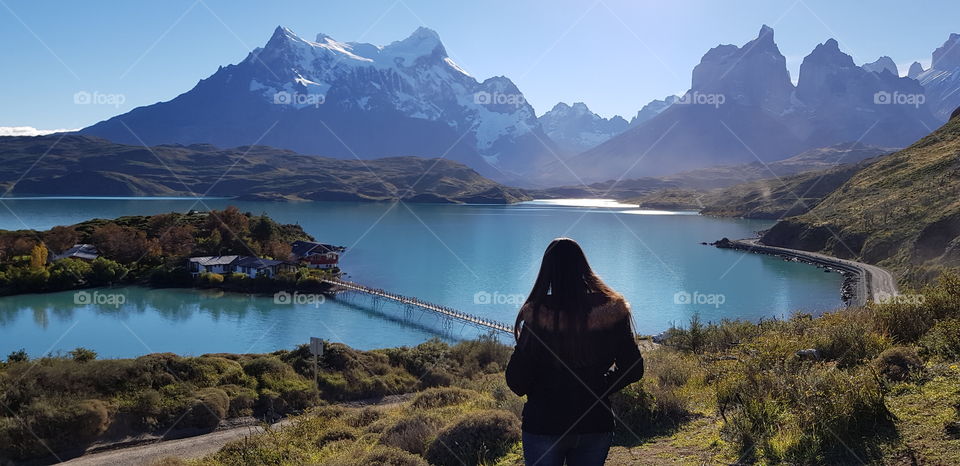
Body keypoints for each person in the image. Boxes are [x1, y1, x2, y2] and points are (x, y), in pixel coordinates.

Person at [505, 238, 644, 465]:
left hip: (543, 424)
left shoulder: (539, 314)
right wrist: (599, 387)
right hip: (595, 423)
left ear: (547, 271)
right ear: (584, 267)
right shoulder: (612, 311)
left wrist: (543, 389)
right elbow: (634, 368)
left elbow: (516, 381)